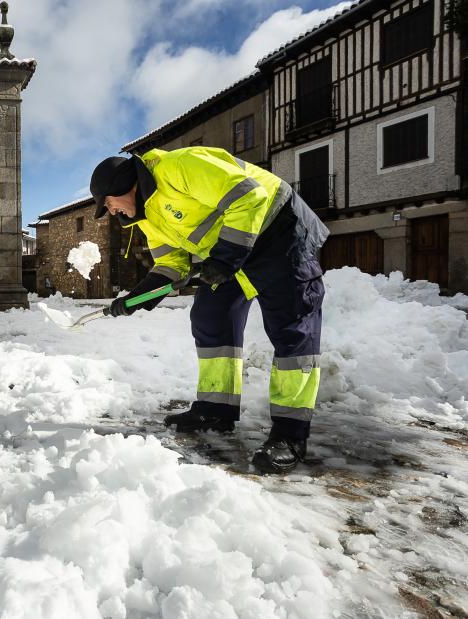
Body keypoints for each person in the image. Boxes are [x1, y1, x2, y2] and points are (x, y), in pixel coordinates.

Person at [90, 147, 329, 473]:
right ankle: (217, 409)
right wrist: (138, 296)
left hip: (279, 231)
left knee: (292, 330)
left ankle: (290, 433)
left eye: (108, 203)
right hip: (230, 252)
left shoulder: (178, 168)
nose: (111, 212)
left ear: (123, 185)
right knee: (210, 317)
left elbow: (250, 196)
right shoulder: (147, 219)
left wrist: (223, 260)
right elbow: (170, 264)